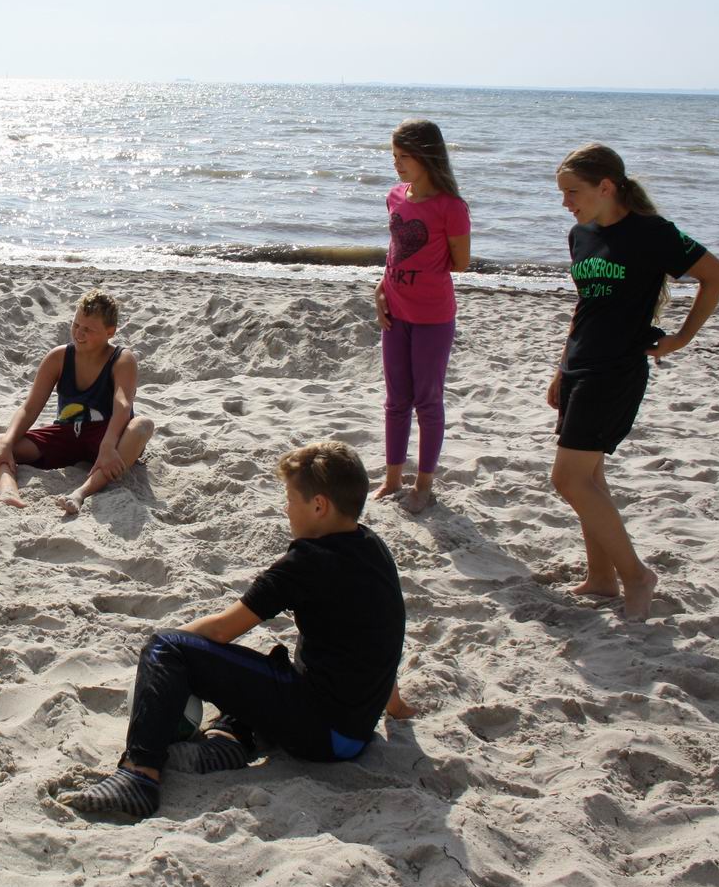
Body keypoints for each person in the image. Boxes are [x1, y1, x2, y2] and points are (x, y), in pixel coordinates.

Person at [57, 442, 410, 819]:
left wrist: (162, 653)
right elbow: (382, 633)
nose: (286, 509)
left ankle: (138, 776)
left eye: (291, 499)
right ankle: (231, 739)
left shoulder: (307, 563)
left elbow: (222, 630)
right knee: (271, 666)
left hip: (320, 734)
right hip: (354, 733)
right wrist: (395, 707)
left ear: (319, 506)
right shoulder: (373, 546)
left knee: (166, 648)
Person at [548, 144, 719, 621]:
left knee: (568, 479)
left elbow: (716, 276)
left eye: (572, 192)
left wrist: (682, 338)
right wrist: (561, 368)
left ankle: (637, 576)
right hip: (580, 365)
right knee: (590, 478)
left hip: (616, 371)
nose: (565, 202)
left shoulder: (653, 233)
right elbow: (585, 308)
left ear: (606, 187)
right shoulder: (580, 235)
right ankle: (602, 578)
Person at [372, 119, 471, 514]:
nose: (396, 164)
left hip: (432, 316)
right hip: (394, 313)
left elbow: (460, 263)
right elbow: (393, 251)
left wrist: (420, 272)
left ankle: (424, 484)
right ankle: (392, 478)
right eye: (394, 156)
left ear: (426, 156)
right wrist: (382, 287)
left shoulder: (451, 207)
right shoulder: (395, 196)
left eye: (403, 157)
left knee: (427, 402)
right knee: (396, 400)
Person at [0, 289, 155, 514]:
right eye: (76, 325)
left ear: (110, 332)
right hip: (68, 433)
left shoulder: (122, 359)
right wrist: (7, 444)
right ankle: (9, 493)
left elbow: (122, 405)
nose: (79, 333)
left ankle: (81, 493)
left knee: (142, 426)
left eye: (88, 329)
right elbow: (30, 408)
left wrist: (108, 445)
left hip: (107, 436)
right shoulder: (58, 357)